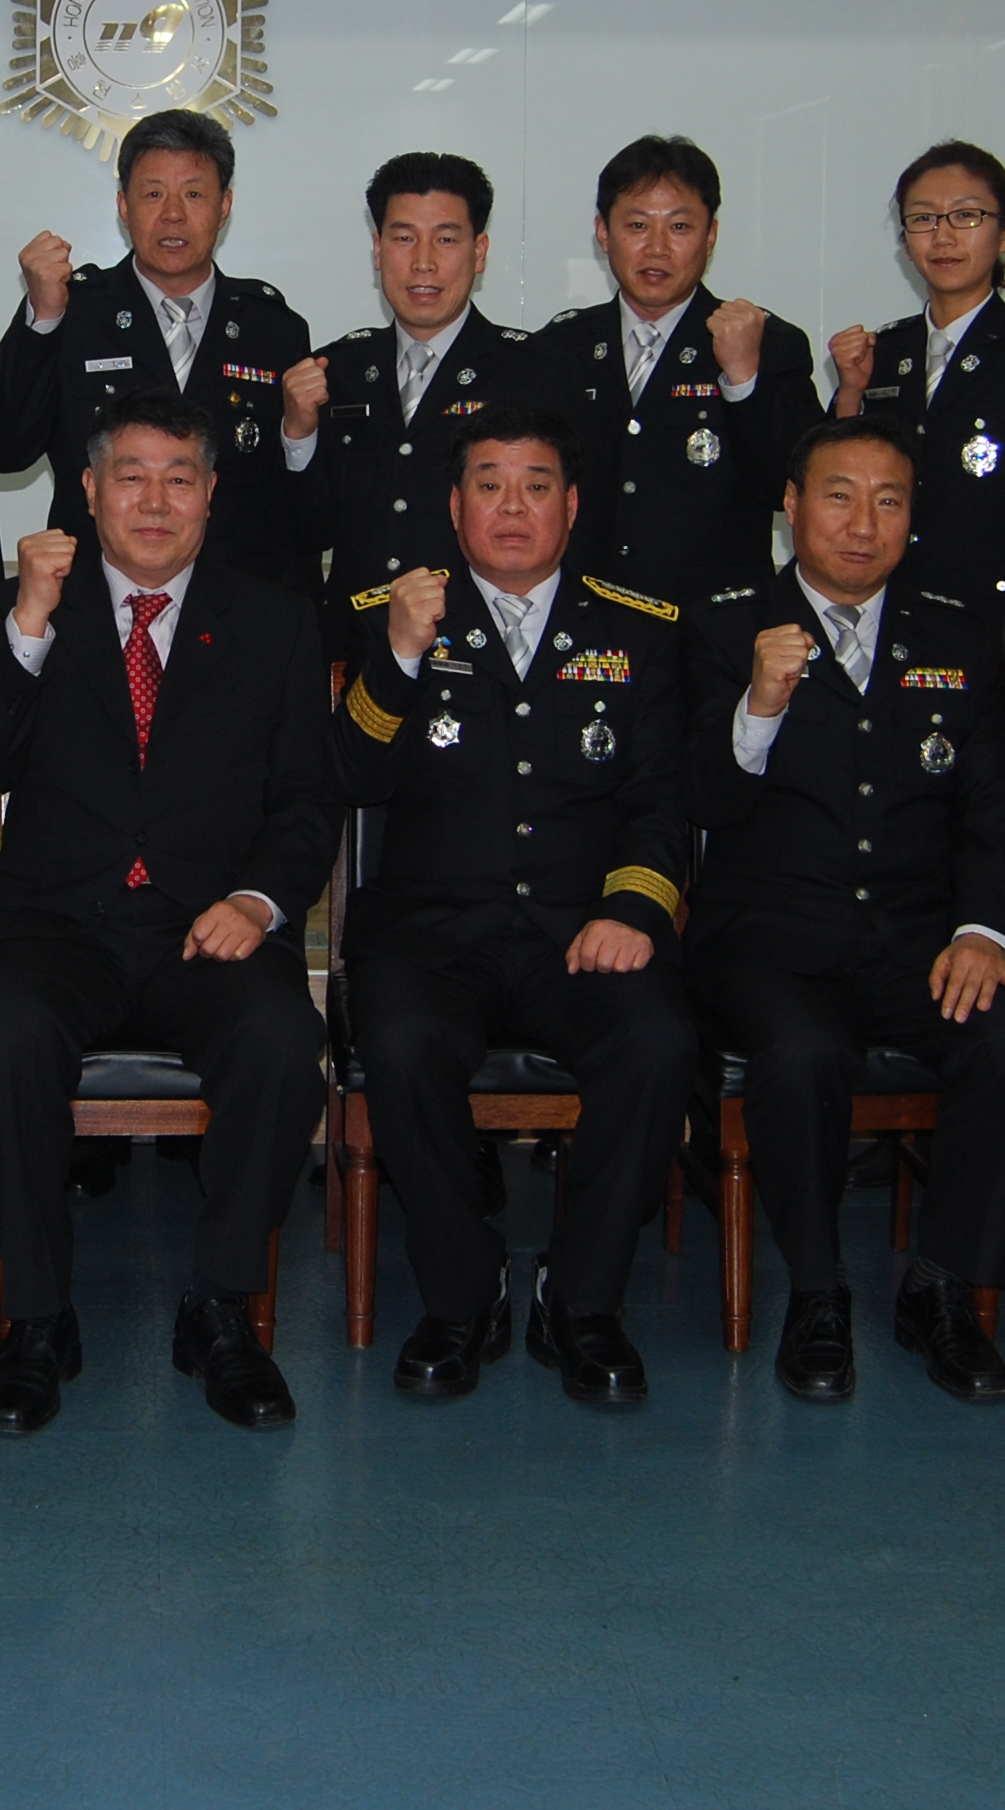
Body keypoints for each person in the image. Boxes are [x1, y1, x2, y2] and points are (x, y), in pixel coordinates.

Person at [0, 390, 336, 1437]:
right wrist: (28, 626)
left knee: (280, 1040)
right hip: (54, 925)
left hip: (206, 927)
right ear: (86, 490)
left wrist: (257, 900)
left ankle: (221, 1311)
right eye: (131, 477)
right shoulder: (22, 605)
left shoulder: (272, 620)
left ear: (211, 495)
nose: (154, 502)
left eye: (179, 479)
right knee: (2, 1041)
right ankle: (35, 1321)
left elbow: (307, 799)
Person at [684, 417, 1005, 1407]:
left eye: (888, 502)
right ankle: (816, 1294)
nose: (862, 524)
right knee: (802, 1055)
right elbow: (694, 801)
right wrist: (757, 707)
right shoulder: (724, 625)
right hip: (768, 942)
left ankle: (942, 1287)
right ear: (791, 507)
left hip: (915, 940)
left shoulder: (956, 631)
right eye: (839, 497)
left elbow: (990, 809)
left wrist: (982, 932)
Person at [331, 406, 694, 1407]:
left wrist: (634, 912)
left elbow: (660, 804)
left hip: (582, 933)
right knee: (400, 1045)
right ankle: (464, 1291)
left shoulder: (637, 628)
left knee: (659, 1043)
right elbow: (350, 779)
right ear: (453, 508)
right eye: (487, 484)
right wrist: (399, 657)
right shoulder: (393, 613)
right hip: (431, 935)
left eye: (535, 486)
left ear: (570, 507)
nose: (511, 507)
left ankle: (580, 1299)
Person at [0, 109, 313, 595]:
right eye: (153, 194)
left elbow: (297, 501)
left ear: (224, 206)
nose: (173, 214)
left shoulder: (273, 330)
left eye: (194, 194)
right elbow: (4, 450)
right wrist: (43, 318)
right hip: (96, 605)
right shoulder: (74, 312)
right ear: (123, 205)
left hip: (234, 606)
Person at [540, 134, 820, 612]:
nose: (657, 248)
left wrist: (744, 380)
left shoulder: (768, 343)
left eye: (680, 227)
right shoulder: (561, 348)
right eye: (637, 225)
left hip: (715, 629)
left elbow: (790, 492)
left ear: (711, 236)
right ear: (603, 233)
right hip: (585, 623)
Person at [284, 151, 551, 645]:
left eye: (446, 239)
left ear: (479, 252)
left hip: (477, 647)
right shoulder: (337, 371)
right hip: (355, 648)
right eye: (404, 238)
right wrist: (298, 435)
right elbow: (306, 533)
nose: (423, 262)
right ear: (377, 249)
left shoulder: (532, 374)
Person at [824, 140, 1005, 617]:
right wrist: (850, 391)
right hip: (888, 613)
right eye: (923, 219)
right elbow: (833, 482)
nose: (943, 237)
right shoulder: (883, 352)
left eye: (967, 216)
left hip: (997, 618)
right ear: (905, 239)